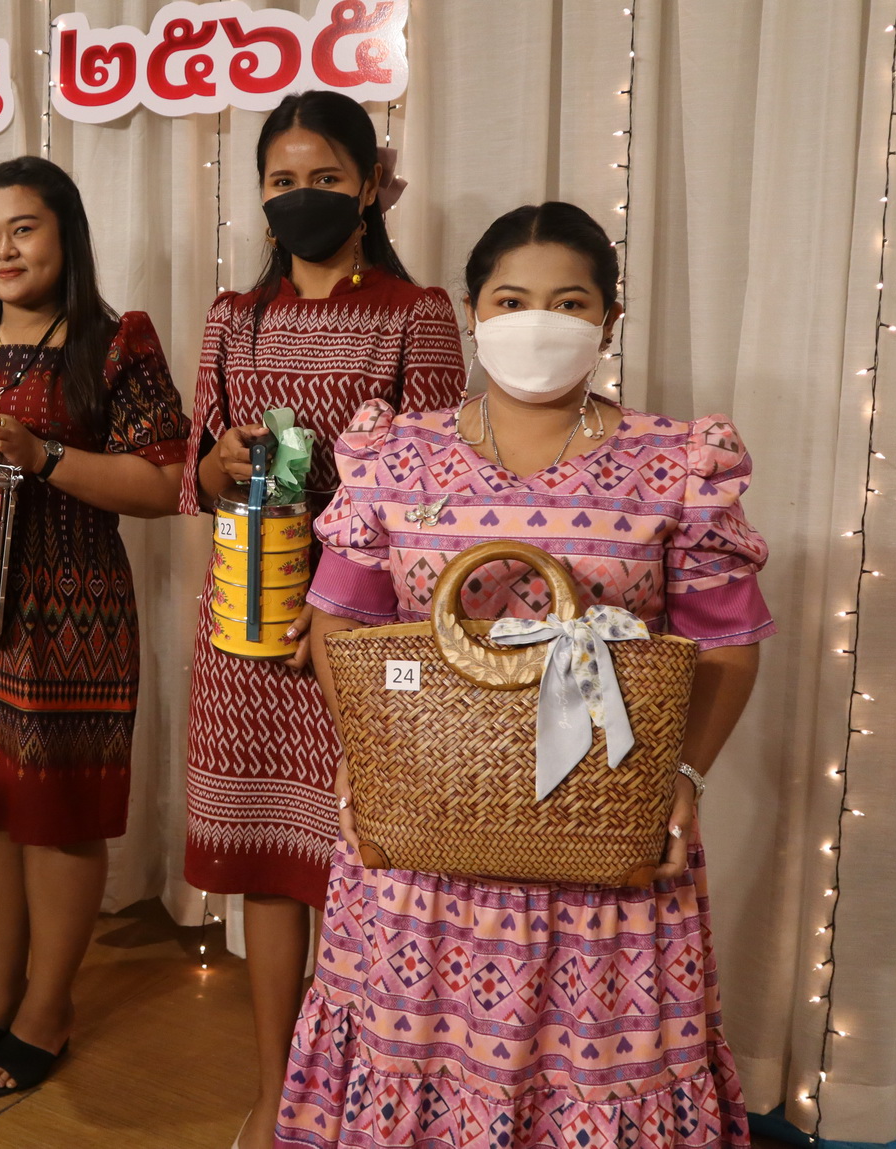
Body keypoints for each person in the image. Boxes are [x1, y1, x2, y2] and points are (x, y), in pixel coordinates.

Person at [279, 201, 772, 1148]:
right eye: (511, 299)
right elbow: (342, 619)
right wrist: (368, 756)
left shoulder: (676, 462)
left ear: (608, 319)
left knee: (595, 1067)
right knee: (410, 1050)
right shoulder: (395, 452)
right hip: (423, 835)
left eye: (568, 301)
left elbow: (727, 645)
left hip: (605, 829)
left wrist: (683, 776)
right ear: (474, 312)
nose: (538, 321)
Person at [180, 91, 464, 1146]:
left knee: (365, 868)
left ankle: (364, 1100)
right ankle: (274, 1094)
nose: (303, 197)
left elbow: (436, 489)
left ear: (371, 185)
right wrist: (217, 464)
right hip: (243, 628)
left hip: (359, 638)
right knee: (266, 869)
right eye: (282, 181)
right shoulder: (231, 315)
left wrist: (347, 609)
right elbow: (195, 471)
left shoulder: (415, 312)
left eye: (326, 179)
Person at [0, 156, 190, 1098]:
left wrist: (46, 453)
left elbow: (164, 483)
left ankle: (48, 1008)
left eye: (23, 229)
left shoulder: (115, 343)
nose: (3, 250)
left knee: (56, 817)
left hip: (72, 615)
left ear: (66, 235)